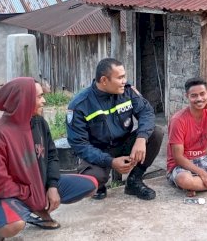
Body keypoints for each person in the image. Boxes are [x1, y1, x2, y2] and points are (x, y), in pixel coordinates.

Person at [0, 78, 98, 240]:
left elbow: (51, 156)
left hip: (39, 186)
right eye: (39, 96)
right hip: (12, 196)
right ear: (23, 100)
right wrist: (32, 196)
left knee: (92, 185)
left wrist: (53, 186)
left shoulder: (39, 123)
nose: (44, 101)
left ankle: (38, 209)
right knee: (13, 226)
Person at [67, 58, 164, 201]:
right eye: (120, 77)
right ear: (104, 80)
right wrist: (111, 162)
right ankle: (100, 186)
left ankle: (134, 181)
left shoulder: (128, 92)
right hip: (98, 151)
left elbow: (146, 112)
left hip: (123, 144)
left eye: (124, 76)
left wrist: (141, 138)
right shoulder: (80, 104)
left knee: (156, 133)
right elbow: (79, 144)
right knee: (92, 179)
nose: (124, 81)